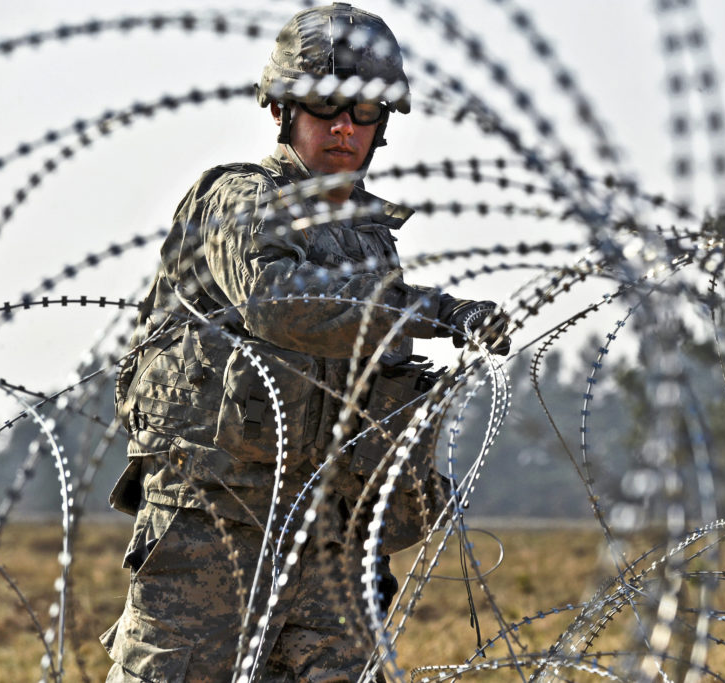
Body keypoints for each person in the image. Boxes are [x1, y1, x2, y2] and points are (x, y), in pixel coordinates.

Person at [101, 4, 510, 681]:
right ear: (283, 110)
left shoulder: (370, 240)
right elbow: (279, 303)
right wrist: (431, 312)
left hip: (330, 547)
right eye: (325, 107)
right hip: (215, 537)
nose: (345, 126)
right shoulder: (235, 198)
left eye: (365, 110)